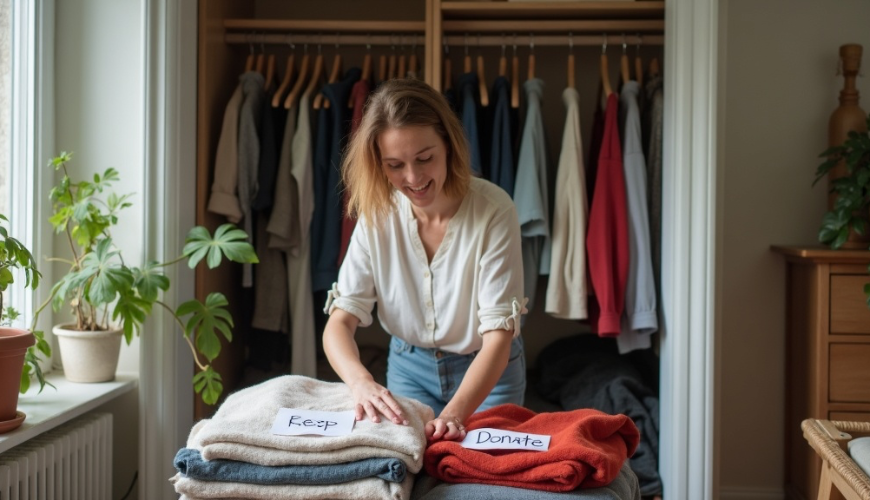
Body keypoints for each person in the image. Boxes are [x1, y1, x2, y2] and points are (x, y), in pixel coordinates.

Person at [322, 78, 528, 442]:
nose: (413, 178)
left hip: (488, 371)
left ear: (448, 145)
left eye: (424, 158)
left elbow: (499, 336)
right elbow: (339, 322)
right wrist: (361, 383)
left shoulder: (494, 210)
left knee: (484, 479)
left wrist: (455, 415)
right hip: (408, 368)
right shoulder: (377, 216)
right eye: (395, 165)